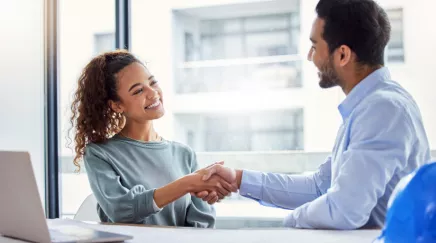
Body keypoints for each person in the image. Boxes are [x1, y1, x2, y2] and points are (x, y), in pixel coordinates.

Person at [193, 0, 431, 230]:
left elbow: (344, 210)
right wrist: (238, 179)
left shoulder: (383, 110)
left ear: (342, 55)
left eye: (315, 47)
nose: (310, 57)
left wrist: (289, 223)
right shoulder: (368, 107)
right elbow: (319, 187)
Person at [69, 50, 236, 227]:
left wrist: (209, 188)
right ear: (117, 105)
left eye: (153, 82)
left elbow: (203, 221)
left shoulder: (184, 154)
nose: (153, 93)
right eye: (139, 90)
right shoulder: (99, 154)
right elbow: (121, 210)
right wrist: (187, 183)